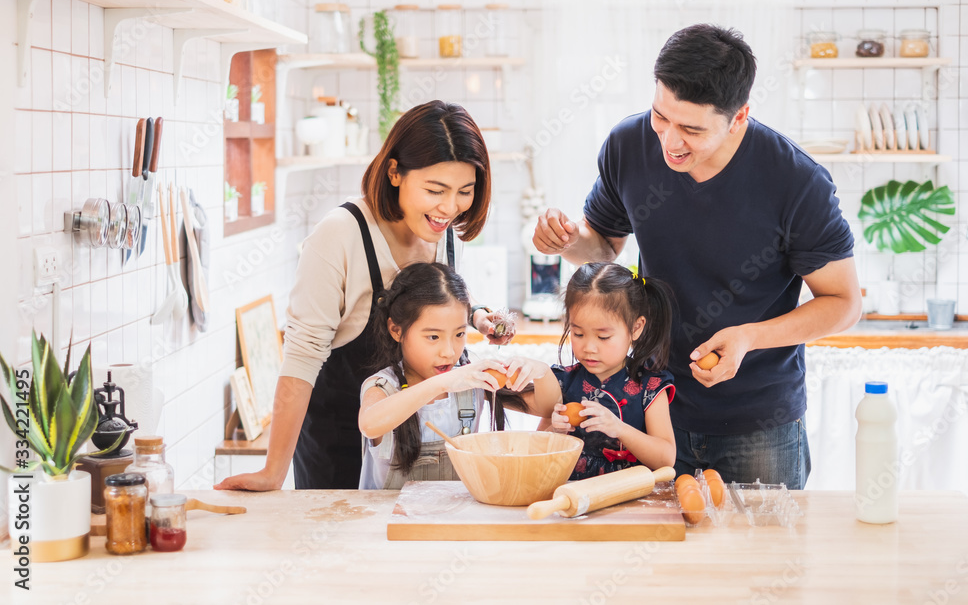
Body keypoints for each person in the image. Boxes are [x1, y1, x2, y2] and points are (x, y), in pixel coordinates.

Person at [533, 25, 862, 489]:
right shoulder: (628, 145)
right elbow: (604, 247)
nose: (670, 141)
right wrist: (567, 242)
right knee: (656, 555)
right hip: (650, 409)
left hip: (759, 422)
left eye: (691, 129)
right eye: (661, 117)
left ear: (739, 116)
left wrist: (748, 337)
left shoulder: (796, 182)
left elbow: (844, 302)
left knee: (763, 555)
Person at [217, 101, 512, 491]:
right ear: (394, 172)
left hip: (417, 458)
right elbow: (301, 357)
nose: (449, 207)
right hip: (340, 453)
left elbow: (430, 304)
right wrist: (273, 473)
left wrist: (476, 315)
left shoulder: (442, 231)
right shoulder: (340, 234)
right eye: (435, 190)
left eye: (465, 192)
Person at [358, 262, 560, 489]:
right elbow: (369, 425)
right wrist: (443, 382)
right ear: (396, 330)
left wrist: (542, 371)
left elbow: (547, 408)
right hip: (392, 522)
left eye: (460, 334)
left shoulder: (469, 379)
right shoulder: (383, 386)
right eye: (433, 337)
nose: (449, 351)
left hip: (455, 520)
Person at [541, 262, 676, 480]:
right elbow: (536, 448)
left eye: (603, 337)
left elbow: (666, 458)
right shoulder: (561, 382)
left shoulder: (649, 387)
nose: (589, 348)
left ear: (636, 328)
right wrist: (554, 432)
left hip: (629, 499)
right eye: (578, 334)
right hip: (572, 497)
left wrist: (619, 429)